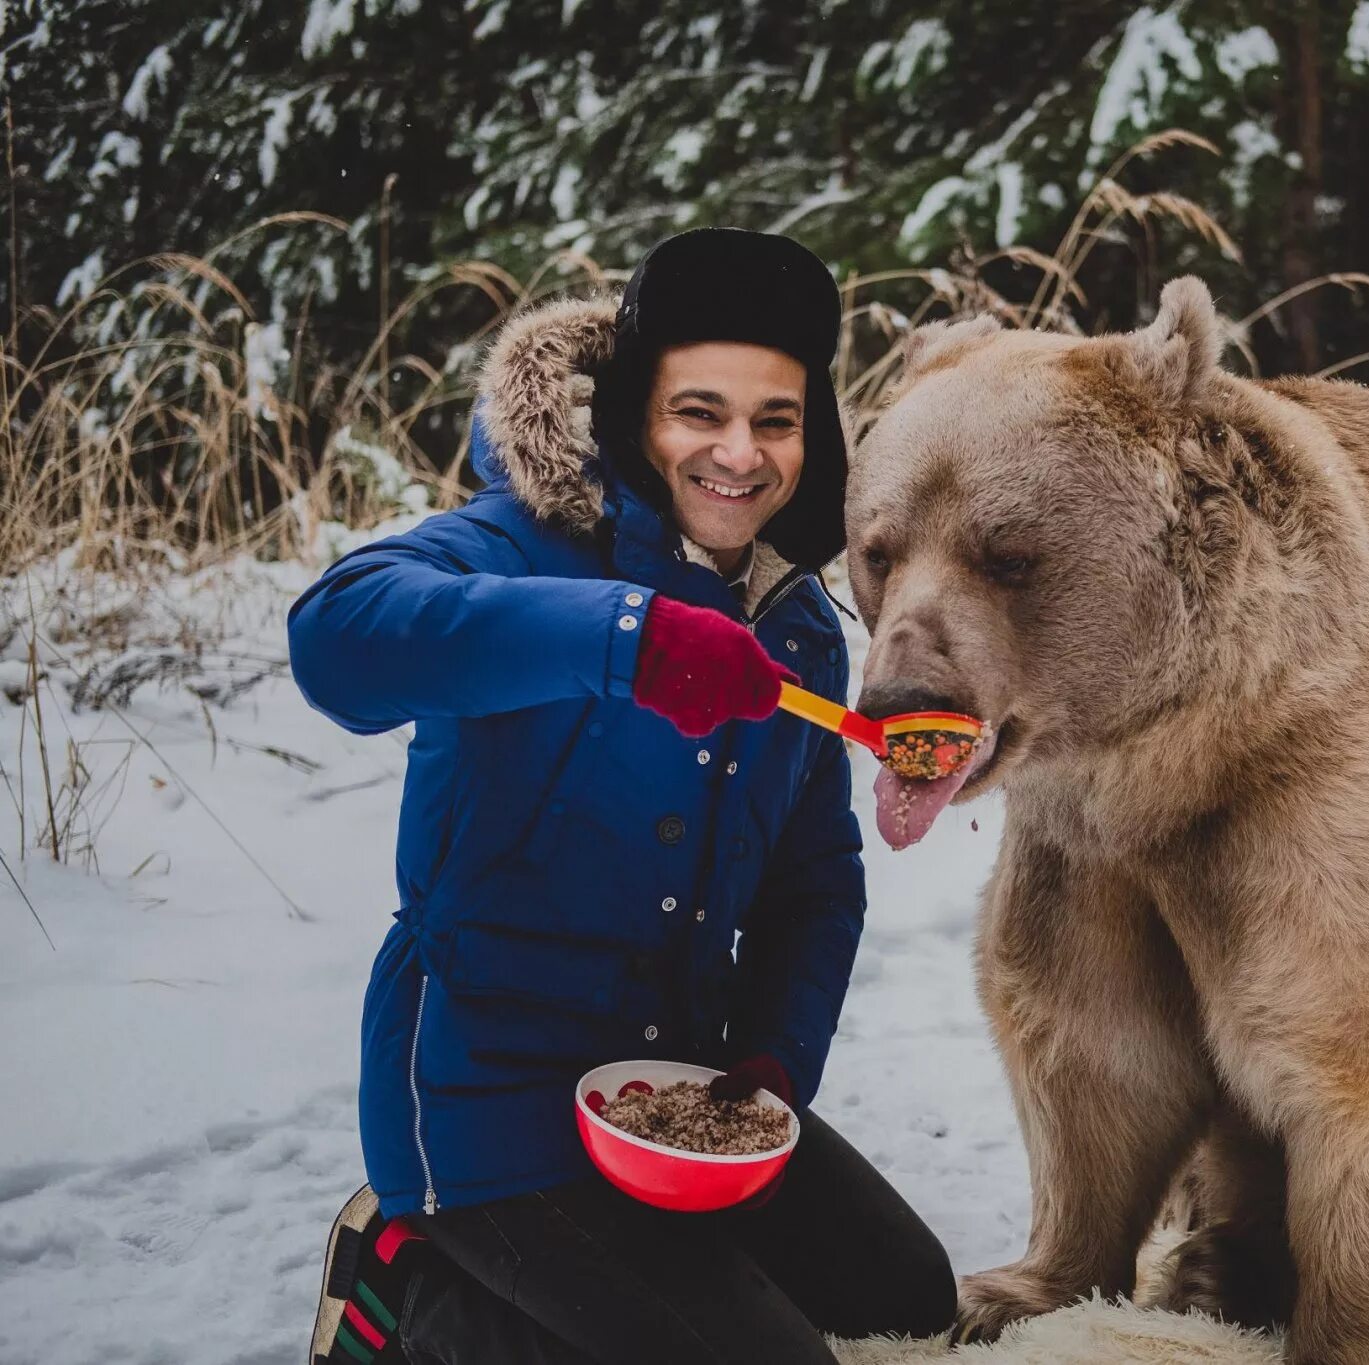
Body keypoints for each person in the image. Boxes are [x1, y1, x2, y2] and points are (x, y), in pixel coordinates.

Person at [292, 228, 956, 1364]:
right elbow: (336, 639)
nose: (739, 454)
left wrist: (772, 1059)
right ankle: (417, 1292)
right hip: (483, 1101)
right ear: (635, 416)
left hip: (674, 1101)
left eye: (777, 419)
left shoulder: (796, 628)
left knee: (908, 1296)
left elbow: (814, 882)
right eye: (698, 411)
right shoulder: (517, 544)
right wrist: (624, 638)